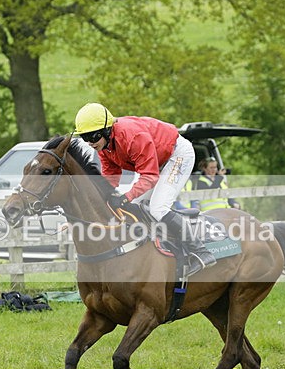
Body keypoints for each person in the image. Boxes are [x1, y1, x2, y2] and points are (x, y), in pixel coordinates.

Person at [73, 102, 216, 275]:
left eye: (93, 136)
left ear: (106, 130)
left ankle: (201, 251)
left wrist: (125, 196)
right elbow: (111, 174)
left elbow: (149, 175)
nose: (90, 143)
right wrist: (102, 197)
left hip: (177, 156)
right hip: (157, 161)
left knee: (158, 208)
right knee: (135, 206)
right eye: (84, 138)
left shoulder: (132, 137)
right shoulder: (104, 145)